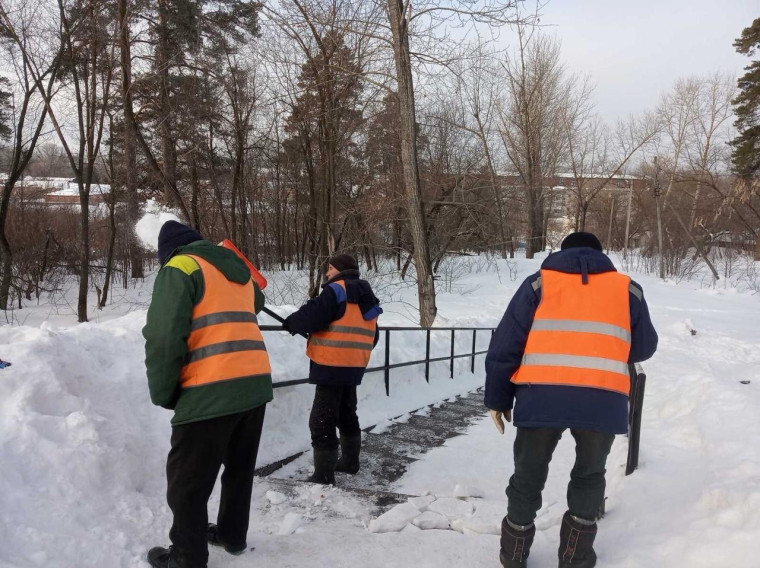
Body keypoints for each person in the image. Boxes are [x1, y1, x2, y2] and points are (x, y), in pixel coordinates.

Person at [484, 232, 658, 568]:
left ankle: (514, 554)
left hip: (540, 398)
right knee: (590, 476)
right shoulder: (628, 290)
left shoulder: (538, 285)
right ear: (601, 253)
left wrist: (498, 398)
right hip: (602, 399)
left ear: (561, 252)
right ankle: (575, 557)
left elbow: (505, 345)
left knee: (528, 476)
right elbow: (644, 347)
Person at [143, 220, 273, 568]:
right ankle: (232, 535)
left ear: (167, 251)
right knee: (238, 469)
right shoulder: (235, 270)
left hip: (210, 387)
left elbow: (164, 336)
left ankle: (186, 558)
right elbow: (255, 303)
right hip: (254, 384)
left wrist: (163, 392)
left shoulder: (180, 266)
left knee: (187, 483)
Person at [284, 254, 382, 485]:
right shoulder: (368, 296)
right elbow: (373, 334)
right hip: (355, 364)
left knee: (321, 420)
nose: (327, 274)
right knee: (347, 413)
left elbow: (313, 314)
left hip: (331, 364)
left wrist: (291, 323)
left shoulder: (336, 290)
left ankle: (323, 474)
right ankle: (349, 462)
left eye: (329, 269)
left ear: (336, 269)